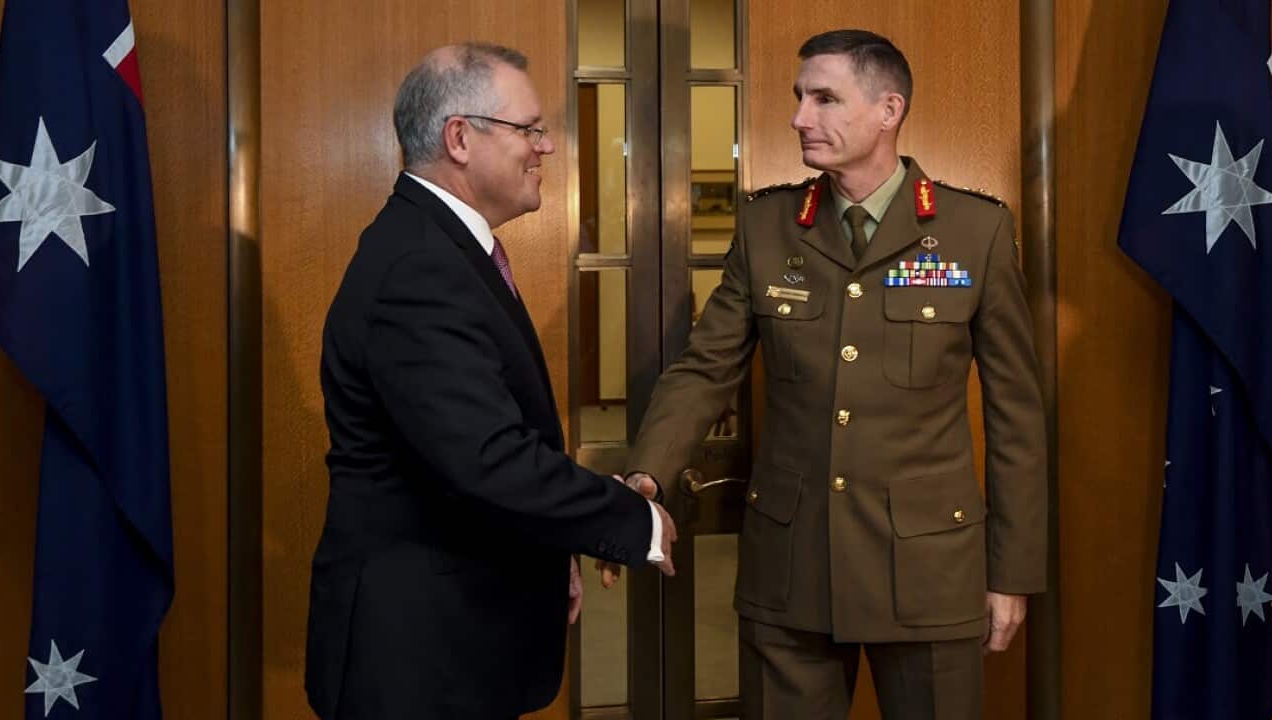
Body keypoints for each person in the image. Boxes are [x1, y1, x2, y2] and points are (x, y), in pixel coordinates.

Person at [609, 29, 1047, 719]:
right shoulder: (767, 226)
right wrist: (647, 474)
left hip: (929, 572)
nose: (799, 117)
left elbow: (1016, 414)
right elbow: (704, 369)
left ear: (887, 110)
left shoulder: (974, 231)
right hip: (793, 569)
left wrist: (1012, 574)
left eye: (824, 98)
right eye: (798, 97)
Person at [304, 43, 676, 720]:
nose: (547, 147)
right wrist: (631, 519)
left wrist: (550, 541)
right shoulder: (420, 267)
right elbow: (485, 457)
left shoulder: (439, 247)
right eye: (530, 129)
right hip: (417, 655)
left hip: (454, 638)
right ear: (460, 138)